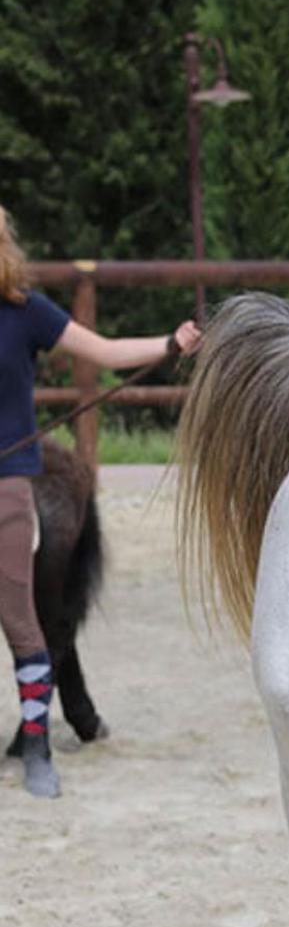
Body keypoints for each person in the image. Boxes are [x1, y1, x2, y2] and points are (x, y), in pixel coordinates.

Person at [0, 203, 201, 798]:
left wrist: (170, 342)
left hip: (9, 484)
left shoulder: (26, 313)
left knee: (21, 618)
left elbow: (108, 352)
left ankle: (37, 743)